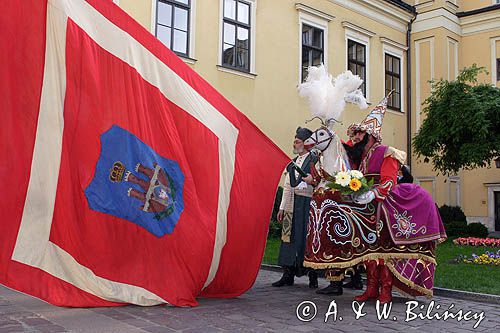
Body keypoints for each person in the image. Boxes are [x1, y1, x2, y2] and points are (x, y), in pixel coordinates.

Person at [272, 127, 319, 288]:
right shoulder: (292, 162)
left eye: (298, 141)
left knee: (307, 237)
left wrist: (312, 180)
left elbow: (320, 181)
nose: (295, 143)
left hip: (307, 203)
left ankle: (313, 276)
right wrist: (282, 208)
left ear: (306, 144)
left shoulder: (315, 160)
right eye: (295, 140)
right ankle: (288, 274)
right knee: (288, 238)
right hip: (292, 203)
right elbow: (287, 186)